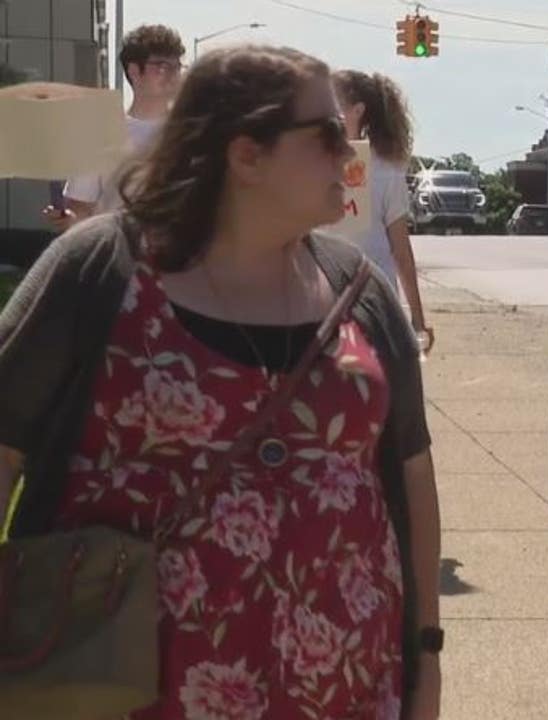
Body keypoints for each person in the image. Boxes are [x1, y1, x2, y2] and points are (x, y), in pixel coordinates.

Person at [0, 46, 441, 719]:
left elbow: (410, 476)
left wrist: (426, 659)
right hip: (121, 690)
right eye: (325, 136)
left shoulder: (362, 293)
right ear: (246, 155)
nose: (349, 156)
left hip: (346, 688)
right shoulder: (100, 271)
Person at [42, 24, 185, 232]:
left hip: (179, 259)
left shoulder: (191, 133)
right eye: (162, 66)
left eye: (177, 66)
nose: (172, 74)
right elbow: (80, 206)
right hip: (117, 258)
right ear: (134, 71)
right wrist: (70, 220)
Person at [332, 70, 433, 354]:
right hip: (323, 304)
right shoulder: (313, 163)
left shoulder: (385, 170)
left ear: (357, 110)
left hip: (372, 304)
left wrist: (417, 318)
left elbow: (401, 249)